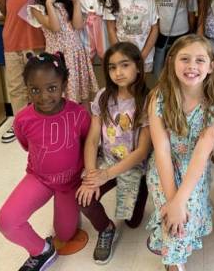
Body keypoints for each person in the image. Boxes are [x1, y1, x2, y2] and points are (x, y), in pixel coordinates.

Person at [146, 35, 214, 270]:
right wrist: (172, 201)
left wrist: (180, 201)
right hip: (163, 166)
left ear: (211, 66)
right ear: (172, 61)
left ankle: (172, 251)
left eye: (199, 60)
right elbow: (162, 150)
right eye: (185, 59)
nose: (192, 66)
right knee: (170, 210)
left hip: (194, 168)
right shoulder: (158, 98)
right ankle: (174, 262)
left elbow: (200, 156)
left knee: (185, 211)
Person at [0, 52, 91, 271]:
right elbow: (27, 145)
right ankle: (42, 251)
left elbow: (90, 145)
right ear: (27, 88)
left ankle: (68, 209)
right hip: (39, 179)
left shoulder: (79, 115)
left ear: (64, 84)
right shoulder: (22, 118)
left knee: (66, 234)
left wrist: (84, 179)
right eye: (35, 90)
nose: (44, 97)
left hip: (71, 184)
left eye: (51, 88)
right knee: (7, 221)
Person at [77, 42, 151, 264]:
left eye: (124, 65)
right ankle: (106, 229)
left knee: (132, 222)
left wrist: (108, 175)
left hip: (135, 167)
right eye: (112, 67)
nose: (118, 72)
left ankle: (139, 190)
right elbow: (91, 141)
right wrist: (92, 175)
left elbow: (142, 151)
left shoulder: (148, 100)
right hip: (107, 162)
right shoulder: (102, 97)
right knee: (84, 199)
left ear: (138, 67)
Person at [0, 0, 45, 143]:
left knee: (40, 84)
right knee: (16, 87)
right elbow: (3, 11)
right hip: (12, 43)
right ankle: (20, 124)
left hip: (37, 43)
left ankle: (41, 121)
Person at [27, 0, 98, 103]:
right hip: (57, 57)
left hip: (77, 55)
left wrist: (76, 2)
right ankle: (64, 122)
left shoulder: (67, 4)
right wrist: (49, 3)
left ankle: (84, 121)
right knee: (61, 94)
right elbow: (55, 27)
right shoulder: (37, 7)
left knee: (82, 95)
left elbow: (78, 25)